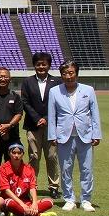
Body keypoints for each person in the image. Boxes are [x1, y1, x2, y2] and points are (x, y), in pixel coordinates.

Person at [47, 61, 102, 212]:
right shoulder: (54, 91)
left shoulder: (88, 90)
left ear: (76, 73)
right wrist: (52, 136)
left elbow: (95, 113)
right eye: (65, 73)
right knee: (65, 170)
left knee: (87, 170)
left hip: (85, 135)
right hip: (63, 136)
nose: (68, 76)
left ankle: (86, 200)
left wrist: (96, 134)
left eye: (71, 73)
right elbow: (52, 115)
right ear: (61, 75)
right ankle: (69, 199)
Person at [19, 51, 61, 199]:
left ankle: (54, 186)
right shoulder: (28, 81)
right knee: (33, 156)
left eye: (44, 64)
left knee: (51, 156)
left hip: (51, 126)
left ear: (49, 65)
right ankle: (32, 185)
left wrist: (46, 118)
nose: (41, 66)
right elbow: (24, 102)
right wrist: (38, 118)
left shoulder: (57, 82)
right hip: (33, 124)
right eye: (38, 64)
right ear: (34, 65)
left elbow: (59, 103)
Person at [0, 143, 56, 216]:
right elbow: (6, 190)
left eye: (19, 153)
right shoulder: (3, 168)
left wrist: (34, 203)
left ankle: (18, 213)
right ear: (9, 153)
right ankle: (39, 215)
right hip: (11, 201)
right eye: (14, 153)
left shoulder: (29, 169)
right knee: (9, 203)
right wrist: (21, 204)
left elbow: (32, 188)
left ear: (23, 154)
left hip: (26, 202)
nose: (16, 155)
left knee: (49, 202)